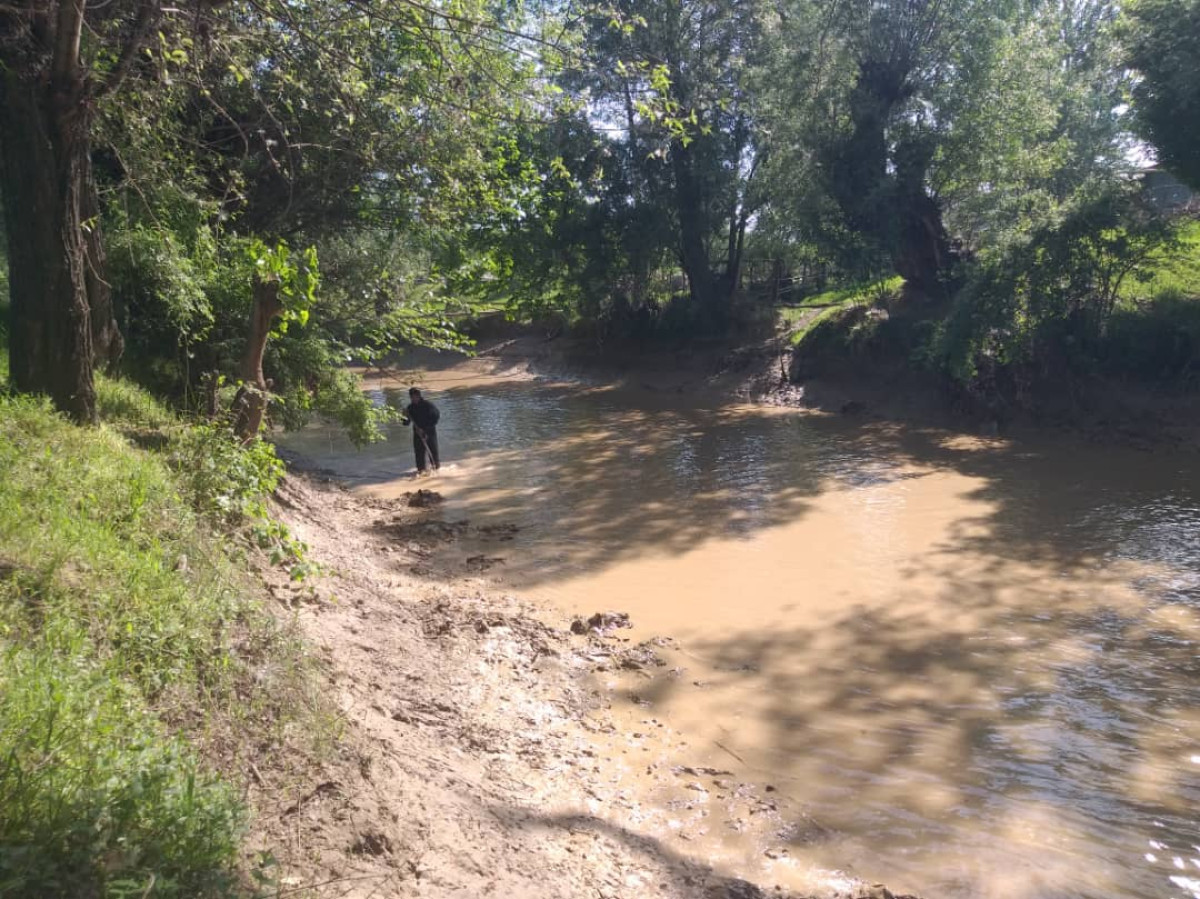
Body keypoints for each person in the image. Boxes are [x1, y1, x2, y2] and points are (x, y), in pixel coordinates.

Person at [401, 387, 441, 475]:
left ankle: (437, 471)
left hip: (430, 432)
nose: (413, 399)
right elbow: (406, 423)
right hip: (417, 434)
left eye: (414, 397)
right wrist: (404, 416)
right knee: (419, 455)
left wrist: (425, 429)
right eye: (411, 397)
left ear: (418, 396)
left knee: (433, 453)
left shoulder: (428, 405)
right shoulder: (410, 408)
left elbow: (436, 417)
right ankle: (421, 472)